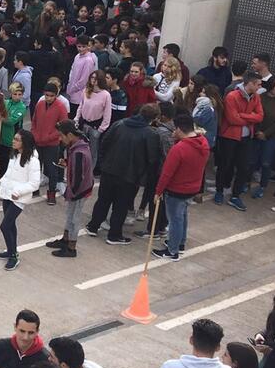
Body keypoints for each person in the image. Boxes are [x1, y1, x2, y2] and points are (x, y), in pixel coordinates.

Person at [82, 104, 162, 245]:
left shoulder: (119, 124)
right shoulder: (151, 134)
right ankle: (114, 235)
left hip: (109, 169)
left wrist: (104, 162)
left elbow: (105, 143)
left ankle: (93, 226)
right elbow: (153, 159)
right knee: (121, 205)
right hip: (130, 176)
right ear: (154, 118)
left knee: (103, 199)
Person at [151, 112, 209, 260]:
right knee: (182, 216)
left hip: (177, 189)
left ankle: (172, 250)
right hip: (192, 187)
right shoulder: (203, 143)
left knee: (175, 219)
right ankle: (180, 242)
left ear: (179, 129)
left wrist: (158, 191)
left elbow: (167, 173)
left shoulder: (179, 149)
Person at [215, 71, 264, 209]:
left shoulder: (256, 97)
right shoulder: (232, 96)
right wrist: (250, 117)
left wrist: (242, 115)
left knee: (244, 167)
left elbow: (260, 116)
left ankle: (235, 195)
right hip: (229, 137)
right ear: (251, 83)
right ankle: (219, 191)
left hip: (246, 138)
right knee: (225, 165)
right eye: (258, 84)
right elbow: (231, 119)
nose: (260, 87)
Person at [47, 120, 94, 260]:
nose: (60, 139)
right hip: (76, 189)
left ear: (69, 134)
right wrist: (67, 163)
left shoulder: (79, 152)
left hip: (79, 191)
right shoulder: (77, 145)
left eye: (61, 136)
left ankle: (71, 247)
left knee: (74, 219)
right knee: (69, 215)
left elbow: (79, 178)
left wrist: (71, 193)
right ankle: (65, 240)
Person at [0, 131, 40, 271]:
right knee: (10, 225)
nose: (13, 141)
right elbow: (9, 173)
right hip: (7, 194)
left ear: (24, 143)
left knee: (5, 225)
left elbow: (34, 183)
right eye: (14, 138)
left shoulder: (33, 160)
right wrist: (2, 182)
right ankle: (10, 251)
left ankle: (14, 256)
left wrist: (18, 192)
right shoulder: (14, 154)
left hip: (18, 198)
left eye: (17, 140)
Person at [34, 82, 70, 205]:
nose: (48, 98)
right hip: (38, 142)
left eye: (51, 95)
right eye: (46, 95)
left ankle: (51, 194)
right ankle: (35, 189)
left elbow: (63, 127)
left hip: (52, 144)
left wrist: (49, 137)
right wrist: (34, 134)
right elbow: (34, 121)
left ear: (56, 95)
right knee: (35, 167)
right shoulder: (39, 104)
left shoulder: (61, 107)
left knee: (51, 169)